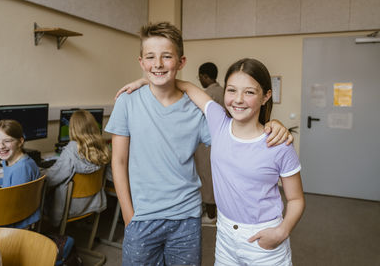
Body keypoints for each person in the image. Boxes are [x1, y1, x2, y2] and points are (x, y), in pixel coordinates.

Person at [106, 22, 292, 265]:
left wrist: (272, 122)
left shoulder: (196, 110)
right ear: (141, 62)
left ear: (181, 62)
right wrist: (129, 215)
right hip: (141, 217)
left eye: (166, 57)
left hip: (186, 217)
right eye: (150, 57)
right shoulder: (127, 103)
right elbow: (118, 161)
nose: (158, 63)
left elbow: (236, 132)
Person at [175, 58, 305, 265]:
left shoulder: (279, 143)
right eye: (232, 90)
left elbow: (296, 199)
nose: (238, 99)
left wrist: (281, 231)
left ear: (266, 97)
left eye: (250, 92)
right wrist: (144, 82)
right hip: (225, 233)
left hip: (264, 237)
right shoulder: (218, 122)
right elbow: (187, 86)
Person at [45, 109, 110, 227]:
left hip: (70, 206)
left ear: (73, 128)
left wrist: (41, 173)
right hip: (92, 202)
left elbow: (52, 179)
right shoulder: (102, 148)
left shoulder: (71, 150)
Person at [0, 120, 41, 229]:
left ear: (20, 141)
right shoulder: (13, 161)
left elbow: (13, 209)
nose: (1, 146)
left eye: (7, 141)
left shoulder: (22, 168)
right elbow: (13, 182)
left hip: (16, 222)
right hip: (15, 213)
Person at [196, 62, 223, 225]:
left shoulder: (207, 94)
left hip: (207, 142)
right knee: (214, 177)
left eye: (200, 77)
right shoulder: (222, 91)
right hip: (219, 141)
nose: (199, 81)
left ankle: (211, 216)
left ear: (205, 76)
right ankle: (214, 211)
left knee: (206, 178)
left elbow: (198, 118)